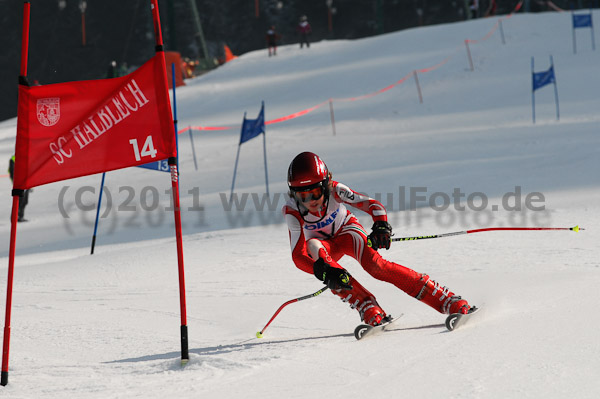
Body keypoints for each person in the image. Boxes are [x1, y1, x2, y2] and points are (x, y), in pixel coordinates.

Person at [283, 152, 472, 327]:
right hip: (323, 247)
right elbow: (298, 256)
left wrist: (381, 226)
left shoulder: (336, 190)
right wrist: (323, 272)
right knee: (323, 259)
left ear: (325, 184)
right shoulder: (292, 211)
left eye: (315, 192)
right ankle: (367, 306)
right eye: (302, 195)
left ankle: (445, 299)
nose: (310, 201)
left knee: (376, 266)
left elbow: (373, 205)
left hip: (347, 232)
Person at [8, 155, 29, 222]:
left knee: (25, 201)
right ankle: (14, 217)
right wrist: (16, 183)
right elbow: (12, 172)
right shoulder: (13, 159)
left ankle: (20, 216)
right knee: (18, 201)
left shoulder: (27, 157)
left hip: (26, 183)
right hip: (19, 184)